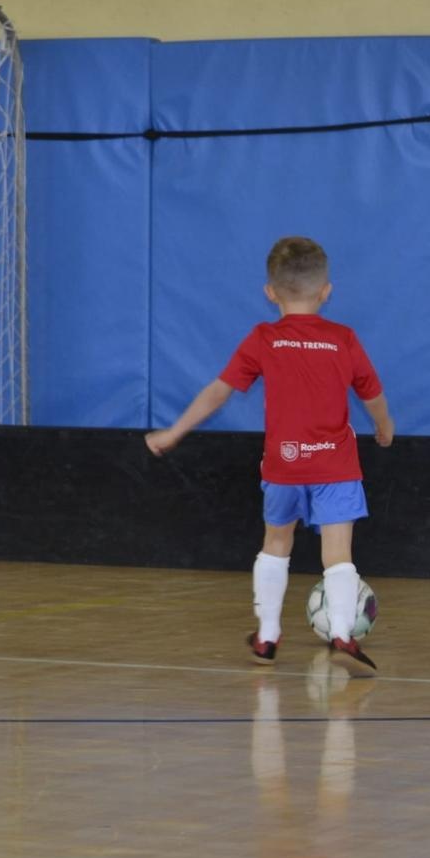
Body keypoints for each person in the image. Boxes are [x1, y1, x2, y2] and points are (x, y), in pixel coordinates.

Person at [146, 237, 393, 677]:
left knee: (276, 544)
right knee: (338, 554)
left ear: (270, 292)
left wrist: (175, 431)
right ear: (326, 291)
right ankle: (342, 634)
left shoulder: (264, 339)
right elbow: (371, 393)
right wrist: (384, 427)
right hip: (335, 465)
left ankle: (267, 635)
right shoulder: (342, 339)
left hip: (284, 464)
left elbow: (219, 390)